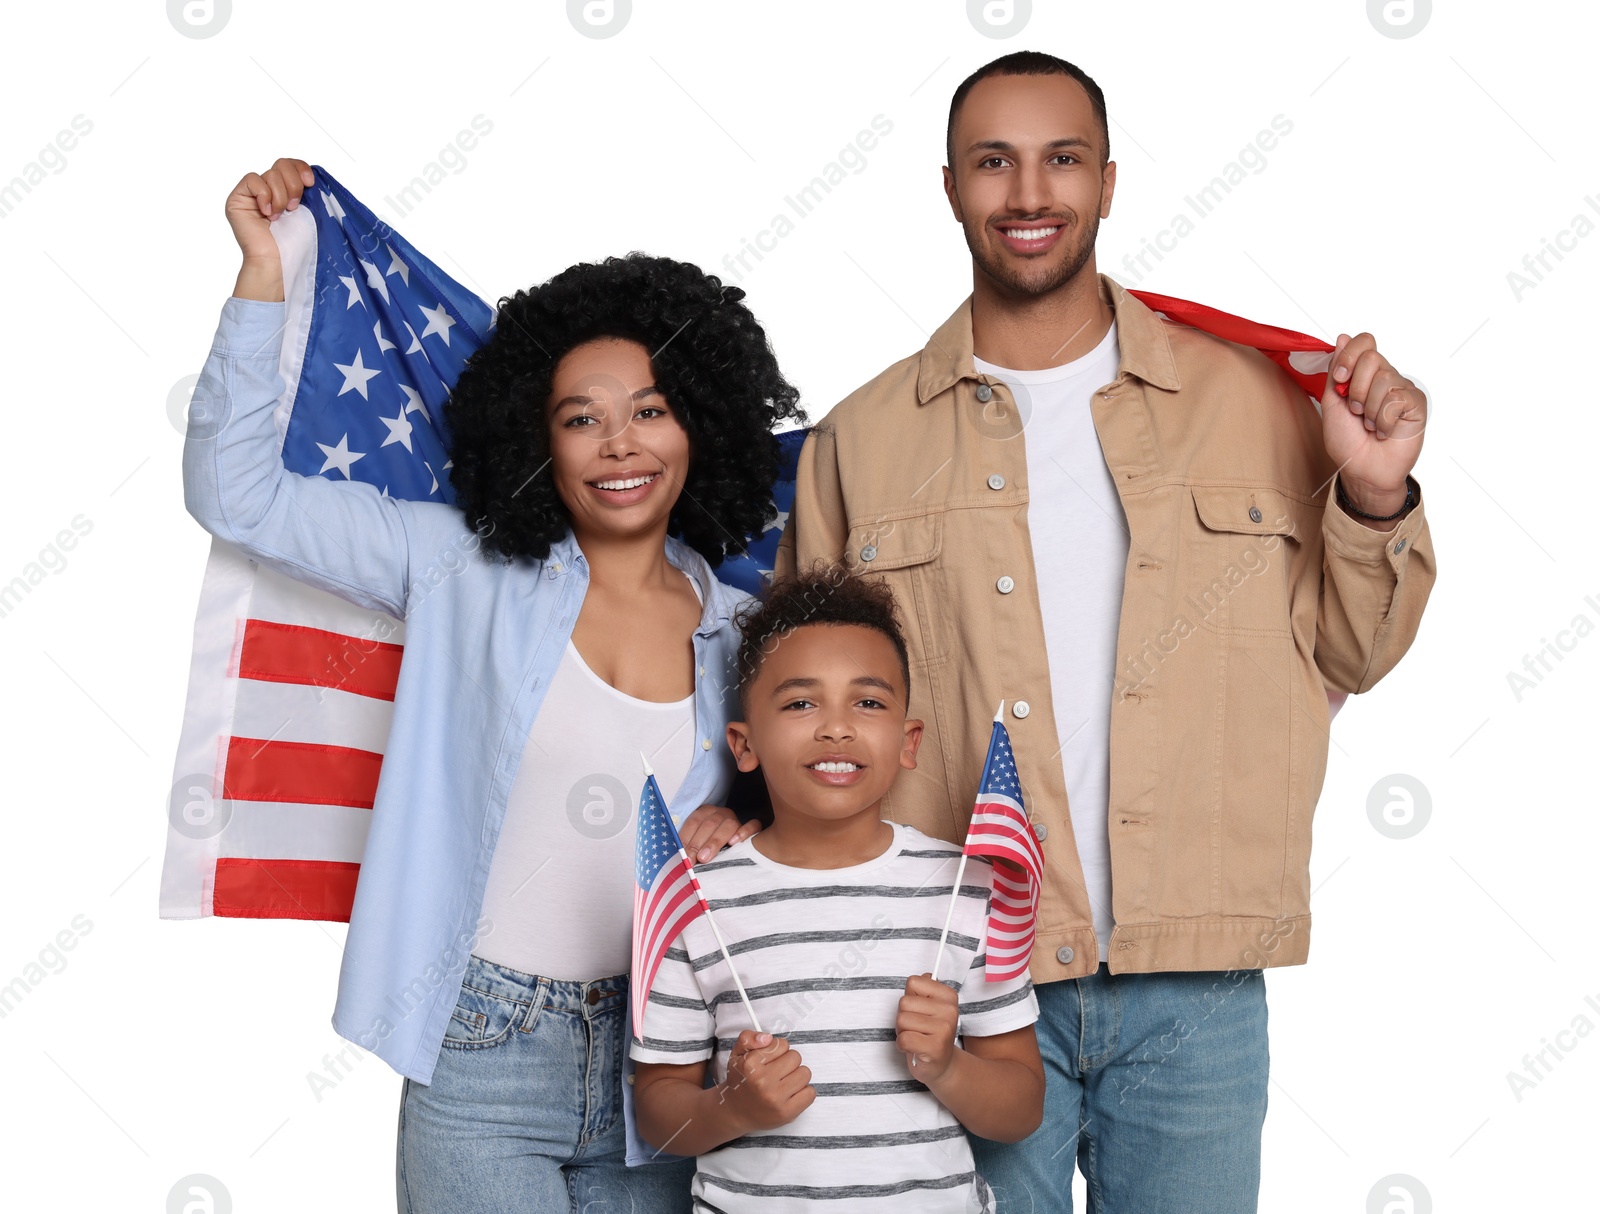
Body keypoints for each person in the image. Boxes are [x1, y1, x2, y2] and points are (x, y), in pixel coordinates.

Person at [775, 53, 1436, 1212]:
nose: (1028, 193)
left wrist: (1374, 495)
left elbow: (1355, 654)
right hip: (963, 976)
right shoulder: (856, 443)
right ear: (949, 187)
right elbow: (815, 726)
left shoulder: (1257, 404)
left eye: (1060, 159)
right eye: (994, 162)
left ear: (1109, 181)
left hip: (1197, 981)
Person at [187, 157, 805, 1212]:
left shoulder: (746, 633)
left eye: (651, 410)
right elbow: (234, 496)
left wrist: (741, 823)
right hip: (481, 1042)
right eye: (580, 418)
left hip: (662, 1053)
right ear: (536, 439)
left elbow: (807, 811)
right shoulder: (458, 566)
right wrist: (261, 275)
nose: (619, 444)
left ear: (700, 426)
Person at [630, 565, 1045, 1212]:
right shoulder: (694, 900)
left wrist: (948, 1067)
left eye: (869, 702)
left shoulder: (966, 889)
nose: (836, 727)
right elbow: (658, 1111)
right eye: (800, 702)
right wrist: (730, 1108)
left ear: (908, 742)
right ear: (744, 745)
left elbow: (1021, 1109)